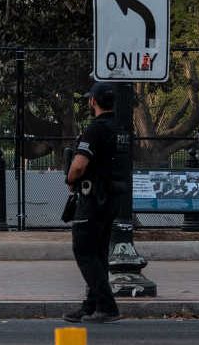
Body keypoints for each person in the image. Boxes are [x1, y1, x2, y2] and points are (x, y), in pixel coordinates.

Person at [62, 81, 121, 324]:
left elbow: (79, 165)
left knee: (84, 251)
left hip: (92, 197)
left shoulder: (95, 129)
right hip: (111, 198)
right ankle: (91, 305)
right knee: (98, 254)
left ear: (93, 101)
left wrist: (70, 178)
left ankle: (107, 306)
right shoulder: (120, 128)